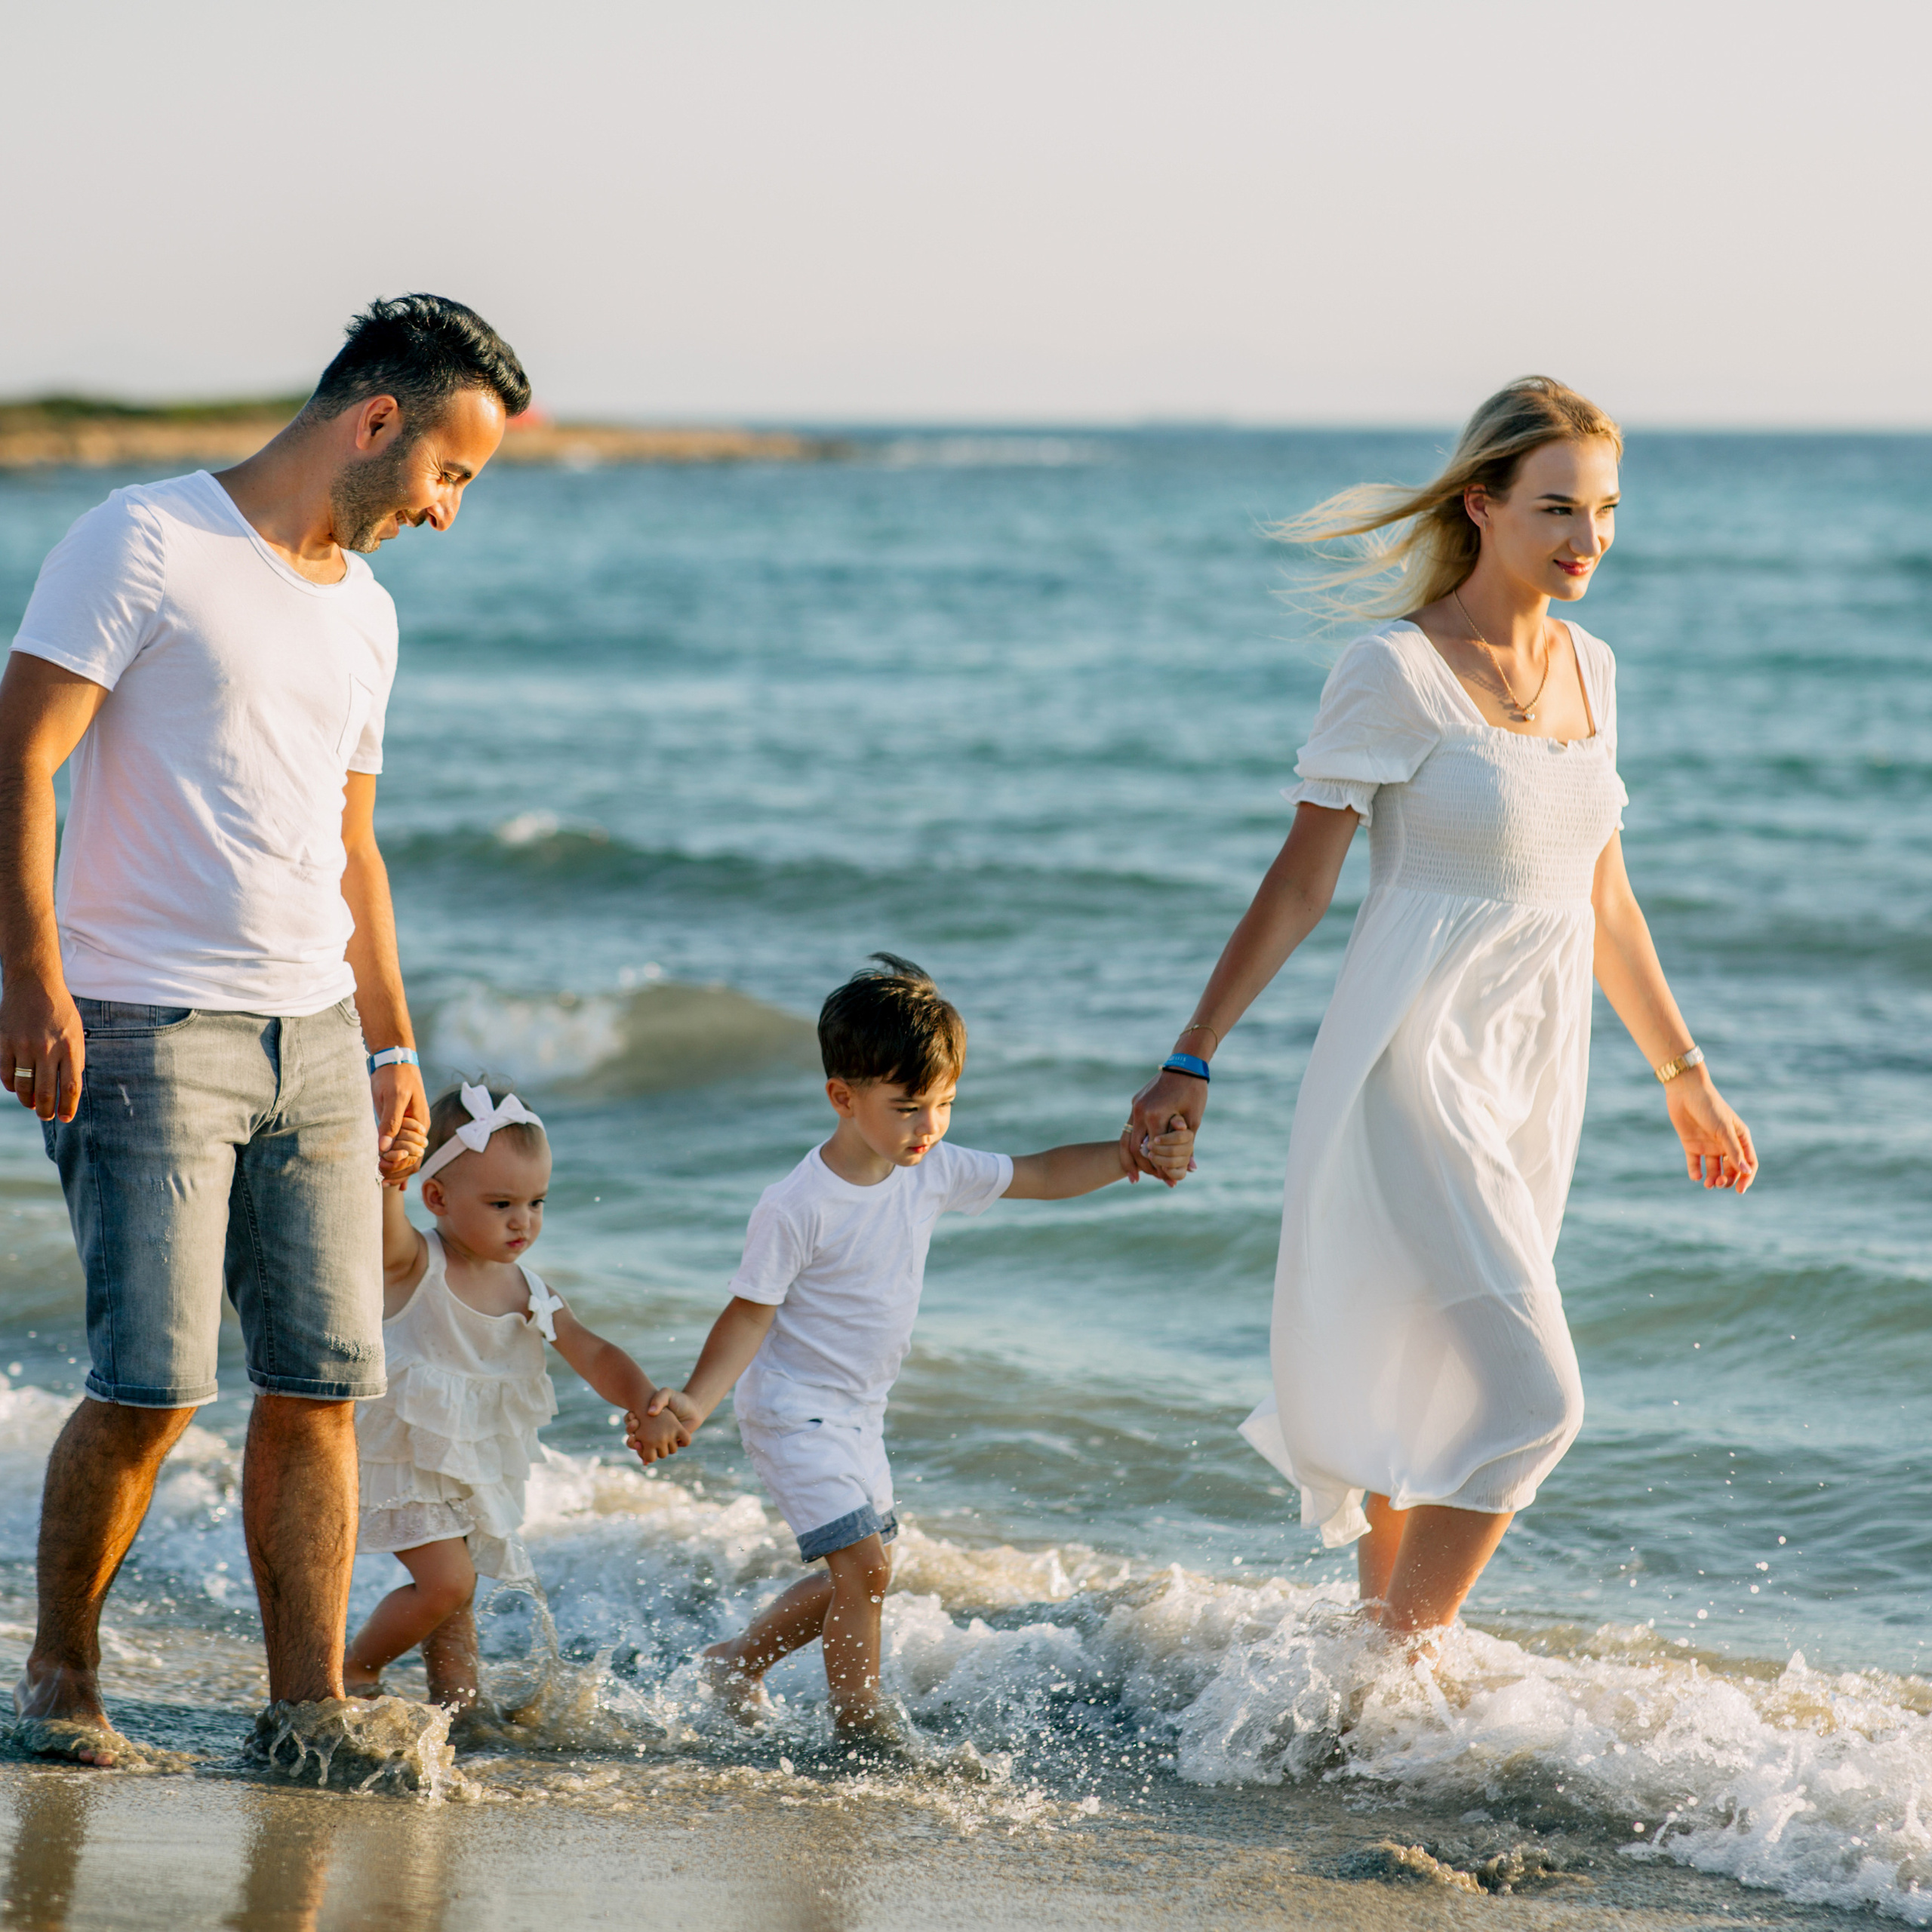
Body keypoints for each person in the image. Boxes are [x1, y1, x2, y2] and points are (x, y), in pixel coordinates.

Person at [1125, 377, 1758, 1641]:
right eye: (1558, 508)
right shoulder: (1394, 669)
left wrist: (1683, 1072)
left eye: (1606, 510)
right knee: (1538, 1400)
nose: (1587, 539)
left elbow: (1608, 903)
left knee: (1422, 1361)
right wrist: (1192, 1056)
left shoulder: (1595, 669)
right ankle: (1393, 1672)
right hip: (1413, 1056)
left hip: (1537, 1065)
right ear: (1483, 502)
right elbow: (1301, 881)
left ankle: (1369, 1709)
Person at [0, 294, 531, 1764]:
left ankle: (307, 1710)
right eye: (449, 473)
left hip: (313, 1035)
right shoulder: (143, 540)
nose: (445, 511)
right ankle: (62, 1683)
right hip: (142, 1021)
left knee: (322, 1386)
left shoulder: (366, 613)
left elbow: (350, 844)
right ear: (376, 421)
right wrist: (30, 978)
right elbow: (21, 755)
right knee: (153, 1383)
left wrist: (392, 1040)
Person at [630, 955, 1193, 1741]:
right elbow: (748, 1314)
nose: (928, 1127)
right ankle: (860, 1726)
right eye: (907, 1108)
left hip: (861, 1412)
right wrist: (694, 1399)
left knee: (861, 1575)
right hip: (794, 1410)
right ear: (843, 1097)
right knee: (864, 1567)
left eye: (944, 1104)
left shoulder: (928, 1171)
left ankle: (734, 1661)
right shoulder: (797, 1205)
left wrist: (1124, 1153)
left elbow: (1037, 1172)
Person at [345, 1084, 694, 1714]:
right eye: (501, 1202)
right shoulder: (414, 1263)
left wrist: (645, 1401)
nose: (522, 1221)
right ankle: (356, 1663)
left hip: (476, 1460)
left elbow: (591, 1351)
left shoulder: (527, 1288)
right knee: (446, 1583)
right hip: (406, 1457)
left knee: (459, 1588)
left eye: (536, 1203)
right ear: (437, 1198)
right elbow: (380, 1220)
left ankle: (459, 1705)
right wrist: (387, 1169)